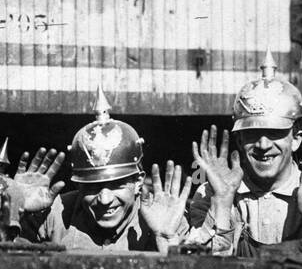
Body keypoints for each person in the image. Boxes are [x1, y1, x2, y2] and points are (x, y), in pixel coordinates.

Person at [188, 55, 302, 255]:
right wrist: (222, 204)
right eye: (252, 133)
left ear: (296, 138)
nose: (263, 145)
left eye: (275, 132)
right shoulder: (211, 194)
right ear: (240, 140)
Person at [23, 88, 191, 253]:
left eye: (117, 184)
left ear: (138, 182)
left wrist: (166, 239)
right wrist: (18, 209)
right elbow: (10, 268)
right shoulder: (56, 214)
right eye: (92, 186)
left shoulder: (166, 219)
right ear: (78, 186)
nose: (104, 199)